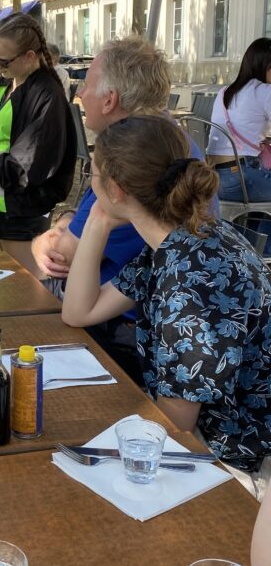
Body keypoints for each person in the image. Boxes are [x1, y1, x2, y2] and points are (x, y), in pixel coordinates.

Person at [62, 114, 271, 498]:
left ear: (116, 188)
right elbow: (78, 312)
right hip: (215, 442)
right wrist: (97, 220)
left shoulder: (190, 283)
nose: (90, 190)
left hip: (238, 465)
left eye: (92, 177)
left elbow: (175, 424)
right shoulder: (186, 238)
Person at [30, 36, 180, 382]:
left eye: (86, 83)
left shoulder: (136, 161)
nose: (79, 93)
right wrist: (71, 219)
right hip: (115, 312)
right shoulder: (159, 142)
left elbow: (61, 255)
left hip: (130, 335)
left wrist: (64, 229)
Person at [0, 14, 76, 277]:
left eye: (3, 60)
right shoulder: (6, 84)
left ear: (30, 56)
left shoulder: (47, 95)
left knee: (24, 291)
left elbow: (32, 161)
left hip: (22, 212)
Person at [207, 37, 271, 206]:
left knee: (262, 206)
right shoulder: (264, 91)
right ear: (267, 67)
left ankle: (253, 233)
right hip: (241, 177)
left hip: (213, 179)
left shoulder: (224, 92)